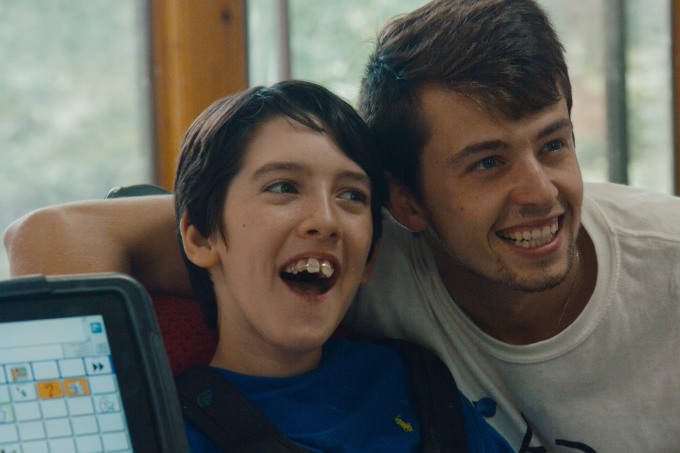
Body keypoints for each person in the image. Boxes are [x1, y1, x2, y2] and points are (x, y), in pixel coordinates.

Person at [4, 1, 680, 451]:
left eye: (554, 144)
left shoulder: (413, 380)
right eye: (486, 162)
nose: (538, 193)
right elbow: (47, 234)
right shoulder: (381, 260)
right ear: (406, 207)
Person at [134, 80, 517, 451]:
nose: (326, 221)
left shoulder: (418, 386)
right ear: (201, 238)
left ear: (369, 258)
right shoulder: (164, 431)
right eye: (283, 187)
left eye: (351, 195)